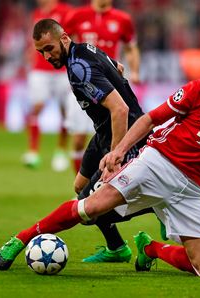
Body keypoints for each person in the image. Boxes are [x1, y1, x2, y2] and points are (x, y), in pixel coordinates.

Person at [0, 51, 200, 276]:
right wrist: (119, 150)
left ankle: (150, 249)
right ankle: (20, 238)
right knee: (89, 208)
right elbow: (150, 119)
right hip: (158, 163)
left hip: (195, 188)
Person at [0, 18, 153, 270]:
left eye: (49, 49)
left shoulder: (78, 67)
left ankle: (157, 204)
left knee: (89, 209)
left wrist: (116, 156)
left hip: (123, 135)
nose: (46, 56)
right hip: (103, 133)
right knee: (80, 185)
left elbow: (120, 109)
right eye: (40, 52)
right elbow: (118, 67)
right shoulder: (86, 49)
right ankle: (117, 247)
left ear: (64, 38)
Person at [64, 0, 141, 177]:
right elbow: (63, 44)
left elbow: (131, 47)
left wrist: (135, 70)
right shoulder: (77, 16)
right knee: (78, 140)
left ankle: (109, 182)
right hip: (83, 84)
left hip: (110, 85)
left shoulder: (122, 19)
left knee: (110, 138)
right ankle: (81, 187)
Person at [22, 0, 94, 171]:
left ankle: (60, 151)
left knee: (64, 110)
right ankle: (33, 151)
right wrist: (29, 57)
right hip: (40, 69)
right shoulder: (37, 13)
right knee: (37, 107)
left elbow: (74, 37)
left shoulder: (67, 12)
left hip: (61, 69)